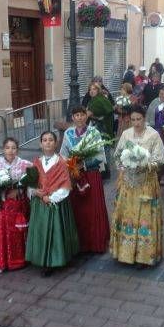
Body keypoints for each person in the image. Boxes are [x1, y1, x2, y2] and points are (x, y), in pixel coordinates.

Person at [111, 106, 164, 267]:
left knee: (145, 218)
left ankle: (144, 256)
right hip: (128, 183)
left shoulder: (153, 135)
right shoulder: (126, 134)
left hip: (146, 183)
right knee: (126, 215)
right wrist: (124, 166)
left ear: (144, 118)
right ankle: (124, 253)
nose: (136, 123)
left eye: (139, 119)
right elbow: (118, 155)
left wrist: (145, 164)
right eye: (133, 120)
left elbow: (160, 159)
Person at [26, 131, 79, 276]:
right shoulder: (36, 162)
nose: (47, 142)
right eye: (44, 140)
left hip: (55, 203)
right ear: (40, 144)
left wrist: (52, 198)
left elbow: (65, 186)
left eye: (50, 140)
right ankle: (41, 257)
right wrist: (35, 192)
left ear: (56, 144)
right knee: (41, 231)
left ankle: (54, 260)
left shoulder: (62, 162)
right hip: (40, 203)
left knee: (56, 231)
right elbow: (31, 183)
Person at [60, 107, 110, 253]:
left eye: (82, 115)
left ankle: (96, 242)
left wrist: (85, 163)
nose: (80, 118)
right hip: (75, 175)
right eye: (77, 115)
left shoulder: (93, 133)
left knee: (93, 207)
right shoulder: (68, 133)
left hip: (91, 175)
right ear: (73, 117)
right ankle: (79, 243)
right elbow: (63, 154)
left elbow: (100, 155)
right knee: (78, 208)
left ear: (86, 116)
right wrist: (71, 164)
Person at [0, 138, 32, 274]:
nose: (11, 151)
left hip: (18, 203)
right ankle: (0, 261)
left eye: (14, 148)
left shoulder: (25, 164)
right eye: (8, 148)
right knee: (0, 231)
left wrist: (19, 190)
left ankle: (20, 259)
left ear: (18, 149)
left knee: (17, 232)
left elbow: (31, 181)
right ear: (3, 149)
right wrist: (0, 193)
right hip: (1, 203)